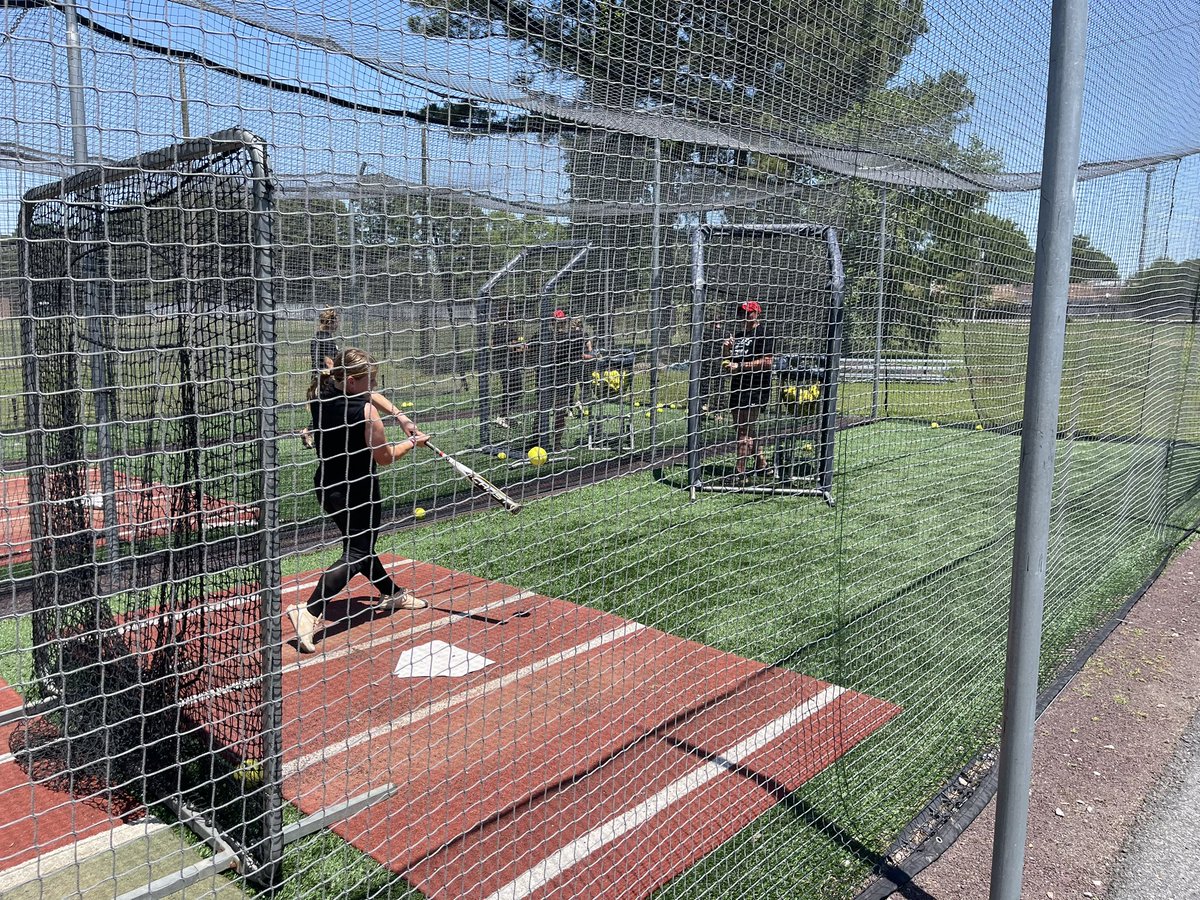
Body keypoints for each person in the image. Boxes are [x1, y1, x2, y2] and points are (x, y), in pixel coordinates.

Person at [287, 348, 429, 654]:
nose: (373, 385)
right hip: (358, 491)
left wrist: (400, 415)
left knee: (360, 547)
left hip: (327, 486)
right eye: (369, 380)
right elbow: (386, 457)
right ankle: (310, 610)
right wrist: (413, 442)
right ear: (351, 381)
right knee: (358, 551)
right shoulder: (364, 412)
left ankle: (392, 593)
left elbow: (368, 395)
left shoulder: (323, 391)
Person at [303, 306, 410, 447]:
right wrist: (338, 373)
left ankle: (309, 432)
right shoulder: (324, 338)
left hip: (323, 381)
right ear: (331, 322)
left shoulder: (318, 337)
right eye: (337, 321)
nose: (338, 324)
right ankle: (310, 432)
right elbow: (328, 361)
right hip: (327, 381)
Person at [723, 300, 775, 476]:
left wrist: (741, 366)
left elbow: (768, 362)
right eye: (741, 313)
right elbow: (729, 362)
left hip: (756, 387)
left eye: (748, 313)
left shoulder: (763, 334)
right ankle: (762, 464)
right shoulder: (738, 335)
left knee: (744, 430)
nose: (744, 317)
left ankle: (740, 472)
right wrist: (726, 350)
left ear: (756, 314)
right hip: (738, 386)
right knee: (744, 429)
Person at [489, 304, 526, 428]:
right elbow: (515, 348)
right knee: (517, 389)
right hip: (510, 364)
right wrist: (523, 347)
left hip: (500, 364)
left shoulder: (497, 329)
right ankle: (502, 416)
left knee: (508, 390)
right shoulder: (510, 331)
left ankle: (505, 416)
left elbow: (492, 345)